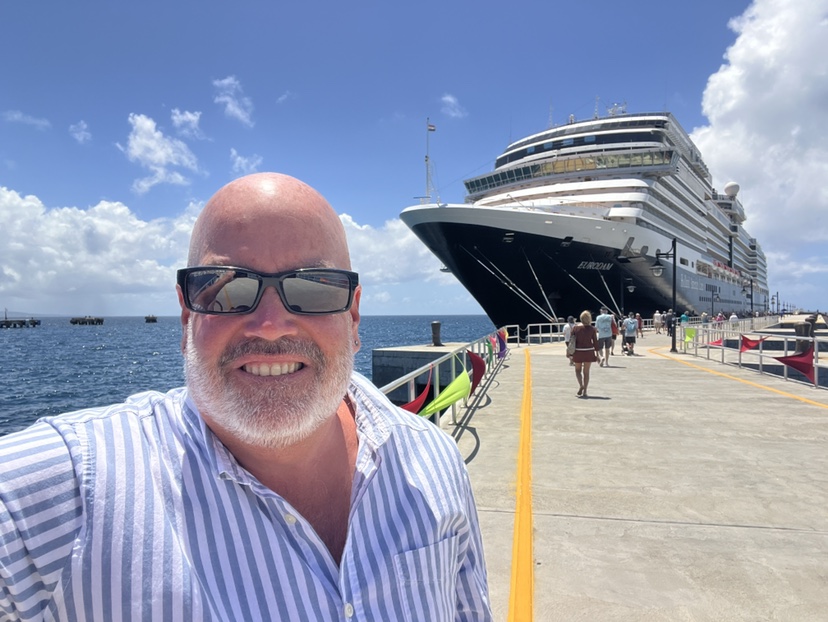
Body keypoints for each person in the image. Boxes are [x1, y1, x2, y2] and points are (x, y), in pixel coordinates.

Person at [0, 173, 493, 620]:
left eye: (314, 288)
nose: (272, 326)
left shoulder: (434, 461)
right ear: (188, 315)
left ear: (354, 316)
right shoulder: (69, 494)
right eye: (229, 289)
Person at [571, 310, 600, 397]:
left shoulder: (575, 328)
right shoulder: (592, 329)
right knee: (586, 372)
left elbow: (571, 341)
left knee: (577, 370)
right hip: (589, 351)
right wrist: (597, 355)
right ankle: (585, 391)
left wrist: (569, 352)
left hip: (578, 351)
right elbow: (595, 342)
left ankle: (581, 385)